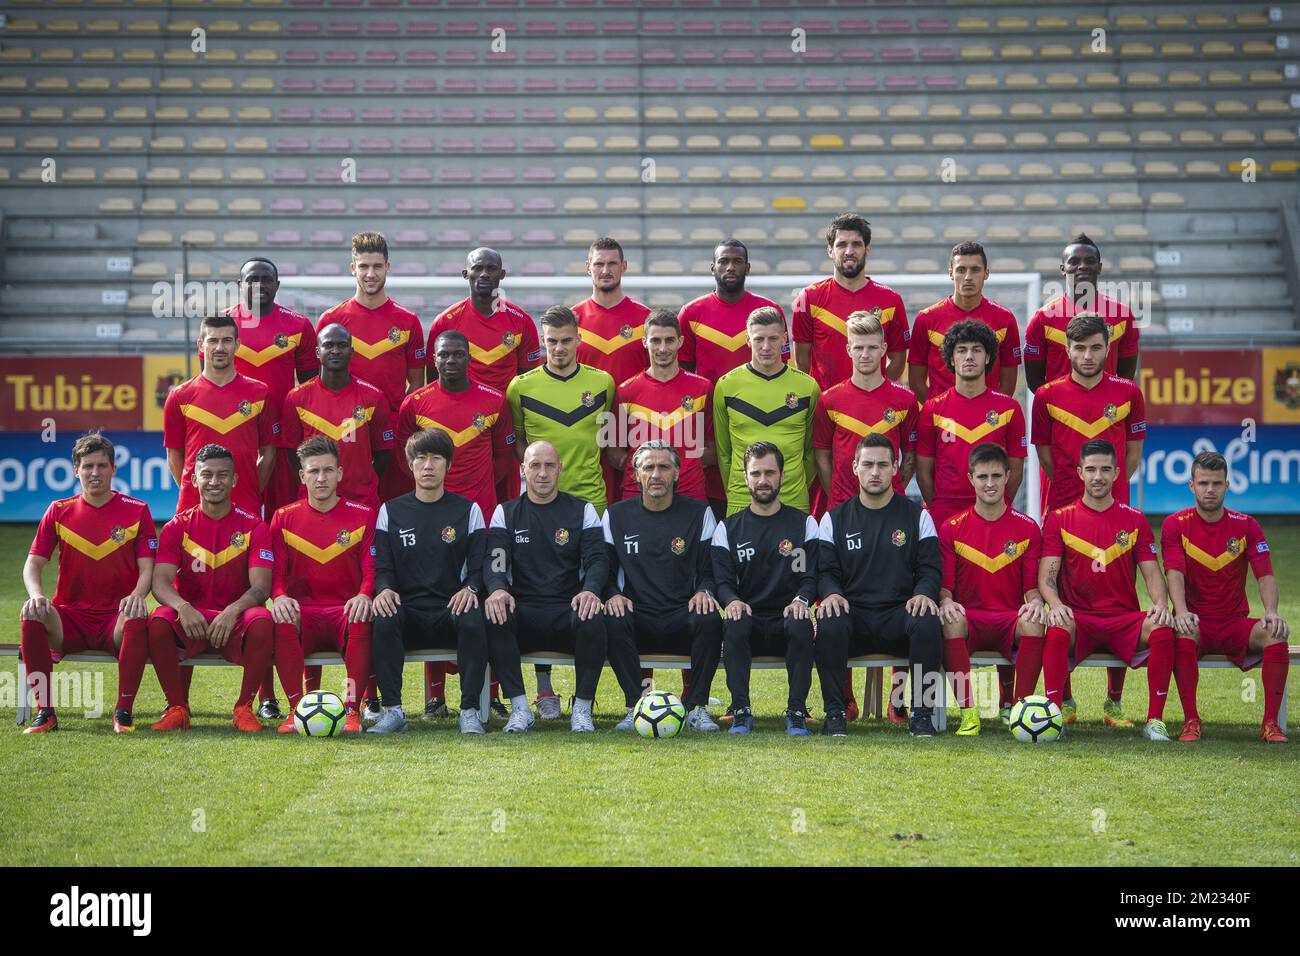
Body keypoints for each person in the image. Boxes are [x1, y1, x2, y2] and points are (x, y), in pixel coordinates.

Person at [394, 329, 515, 717]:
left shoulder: (494, 400)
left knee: (482, 601)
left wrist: (474, 496)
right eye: (443, 355)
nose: (450, 361)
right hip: (430, 515)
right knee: (434, 595)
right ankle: (436, 697)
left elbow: (502, 459)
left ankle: (491, 693)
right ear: (433, 358)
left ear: (469, 357)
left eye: (458, 354)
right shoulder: (414, 403)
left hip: (478, 516)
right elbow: (404, 458)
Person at [506, 306, 617, 709]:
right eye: (551, 341)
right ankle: (545, 690)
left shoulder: (603, 383)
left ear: (579, 340)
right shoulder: (520, 387)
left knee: (595, 590)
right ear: (542, 343)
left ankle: (600, 693)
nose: (559, 348)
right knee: (539, 588)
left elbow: (608, 438)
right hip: (539, 506)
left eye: (566, 340)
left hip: (591, 502)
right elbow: (521, 442)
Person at [1037, 439, 1176, 741]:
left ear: (1116, 473)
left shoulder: (1135, 519)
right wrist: (1055, 604)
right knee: (1058, 626)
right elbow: (1046, 577)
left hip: (1123, 618)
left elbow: (1152, 573)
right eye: (1091, 470)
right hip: (1080, 617)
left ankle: (1154, 720)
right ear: (1080, 473)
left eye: (1104, 470)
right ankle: (1055, 713)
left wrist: (1161, 603)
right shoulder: (1060, 519)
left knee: (1162, 627)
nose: (1097, 476)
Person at [19, 431, 155, 734]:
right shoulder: (58, 510)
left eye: (102, 466)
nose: (95, 473)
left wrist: (137, 594)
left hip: (114, 619)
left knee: (137, 614)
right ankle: (46, 713)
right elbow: (33, 563)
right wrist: (36, 594)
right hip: (70, 619)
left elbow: (148, 568)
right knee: (31, 613)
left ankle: (123, 713)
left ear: (114, 469)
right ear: (76, 470)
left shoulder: (137, 510)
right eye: (88, 466)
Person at [136, 444, 279, 733]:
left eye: (223, 475)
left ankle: (244, 707)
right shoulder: (177, 527)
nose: (215, 482)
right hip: (193, 621)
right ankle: (177, 707)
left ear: (235, 480)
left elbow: (262, 587)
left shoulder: (254, 526)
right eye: (208, 475)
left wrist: (233, 610)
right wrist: (183, 607)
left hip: (234, 620)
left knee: (263, 620)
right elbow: (160, 582)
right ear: (194, 479)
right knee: (159, 620)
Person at [367, 428, 501, 735]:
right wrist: (385, 589)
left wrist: (471, 589)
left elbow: (480, 566)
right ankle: (393, 711)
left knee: (472, 617)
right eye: (421, 458)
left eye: (436, 458)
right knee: (384, 616)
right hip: (409, 609)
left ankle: (468, 711)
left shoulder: (468, 511)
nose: (428, 466)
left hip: (449, 607)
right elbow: (383, 566)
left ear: (448, 465)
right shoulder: (391, 511)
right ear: (410, 465)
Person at [815, 434, 943, 738]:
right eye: (868, 464)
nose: (875, 472)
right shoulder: (834, 518)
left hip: (898, 615)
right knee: (829, 619)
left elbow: (930, 568)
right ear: (855, 467)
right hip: (854, 616)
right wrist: (831, 593)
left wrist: (924, 593)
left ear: (895, 468)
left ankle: (921, 715)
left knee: (926, 619)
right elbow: (824, 570)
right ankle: (835, 713)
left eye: (882, 465)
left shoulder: (917, 516)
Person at [1161, 451, 1289, 743]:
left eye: (1216, 483)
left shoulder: (1246, 525)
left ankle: (1270, 724)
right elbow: (1174, 573)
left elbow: (1265, 574)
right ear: (1191, 486)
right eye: (1203, 483)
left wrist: (1271, 611)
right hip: (1196, 621)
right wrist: (1180, 611)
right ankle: (1191, 721)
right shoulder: (1175, 524)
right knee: (1183, 632)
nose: (1210, 490)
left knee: (1275, 633)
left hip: (1234, 623)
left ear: (1227, 485)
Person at [484, 441, 609, 732]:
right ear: (523, 470)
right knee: (494, 613)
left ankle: (582, 709)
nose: (542, 473)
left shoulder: (583, 510)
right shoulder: (506, 512)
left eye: (549, 465)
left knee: (592, 615)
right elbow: (495, 561)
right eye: (535, 465)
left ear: (560, 470)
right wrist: (497, 589)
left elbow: (597, 560)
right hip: (524, 610)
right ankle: (520, 709)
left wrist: (590, 590)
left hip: (568, 609)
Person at [602, 441, 723, 732]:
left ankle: (697, 707)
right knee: (612, 616)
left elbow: (711, 569)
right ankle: (635, 707)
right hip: (638, 616)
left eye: (664, 467)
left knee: (709, 617)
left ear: (677, 474)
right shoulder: (616, 516)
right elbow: (603, 569)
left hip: (682, 615)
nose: (656, 474)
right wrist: (613, 594)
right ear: (636, 475)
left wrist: (704, 591)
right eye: (648, 467)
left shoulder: (699, 513)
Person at [268, 436, 376, 734]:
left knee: (362, 615)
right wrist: (278, 597)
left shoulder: (363, 515)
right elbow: (276, 573)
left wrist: (364, 595)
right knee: (283, 617)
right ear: (302, 476)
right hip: (305, 612)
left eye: (328, 470)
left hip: (344, 610)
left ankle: (353, 710)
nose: (321, 478)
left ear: (340, 473)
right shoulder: (283, 518)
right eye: (313, 471)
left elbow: (370, 570)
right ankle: (294, 710)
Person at [936, 443, 1046, 736]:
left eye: (996, 476)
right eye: (982, 476)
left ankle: (1021, 710)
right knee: (949, 619)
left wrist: (1036, 602)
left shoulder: (1028, 528)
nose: (989, 483)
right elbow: (945, 590)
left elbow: (1031, 589)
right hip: (970, 617)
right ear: (970, 478)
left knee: (1034, 620)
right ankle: (969, 713)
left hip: (1009, 618)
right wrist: (945, 602)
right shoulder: (951, 528)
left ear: (1008, 476)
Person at [711, 442, 818, 736]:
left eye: (770, 473)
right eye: (756, 473)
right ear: (745, 478)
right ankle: (740, 710)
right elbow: (722, 581)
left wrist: (800, 600)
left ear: (782, 476)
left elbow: (808, 577)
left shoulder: (802, 524)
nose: (763, 480)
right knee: (734, 620)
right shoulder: (728, 528)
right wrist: (732, 600)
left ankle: (796, 711)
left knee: (799, 621)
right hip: (749, 622)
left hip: (787, 620)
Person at [678, 240, 787, 511]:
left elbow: (782, 368)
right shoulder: (691, 313)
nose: (730, 267)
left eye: (737, 262)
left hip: (759, 418)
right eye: (724, 261)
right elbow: (684, 375)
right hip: (708, 425)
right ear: (712, 267)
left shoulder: (768, 311)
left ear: (748, 267)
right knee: (714, 497)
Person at [223, 256, 319, 516]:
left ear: (277, 285)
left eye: (266, 280)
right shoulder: (222, 327)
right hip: (238, 435)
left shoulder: (298, 325)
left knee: (283, 512)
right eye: (252, 280)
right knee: (237, 512)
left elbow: (312, 388)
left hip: (283, 437)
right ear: (240, 285)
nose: (259, 285)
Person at [164, 314, 279, 518]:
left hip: (246, 507)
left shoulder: (260, 393)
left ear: (237, 345)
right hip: (192, 508)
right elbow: (174, 456)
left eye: (226, 341)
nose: (219, 347)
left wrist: (251, 490)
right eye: (213, 341)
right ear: (201, 345)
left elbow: (268, 454)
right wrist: (196, 489)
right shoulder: (179, 396)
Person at [915, 319, 1026, 525]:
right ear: (951, 358)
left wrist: (996, 505)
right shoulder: (932, 408)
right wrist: (938, 507)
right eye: (961, 350)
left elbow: (1016, 469)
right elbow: (923, 470)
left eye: (976, 350)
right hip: (945, 512)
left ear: (988, 357)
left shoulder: (1009, 409)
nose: (969, 357)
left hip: (992, 512)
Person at [1032, 313, 1146, 512]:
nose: (1087, 356)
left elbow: (1133, 454)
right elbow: (1044, 455)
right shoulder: (1046, 395)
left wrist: (1109, 487)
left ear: (1108, 349)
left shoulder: (1129, 392)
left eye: (1095, 348)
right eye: (1079, 348)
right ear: (1068, 350)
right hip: (1064, 506)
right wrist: (1067, 485)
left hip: (1114, 504)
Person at [714, 306, 820, 515]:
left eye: (773, 338)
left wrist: (792, 487)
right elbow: (723, 453)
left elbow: (811, 452)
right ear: (747, 340)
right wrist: (740, 490)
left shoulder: (808, 387)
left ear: (784, 339)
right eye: (759, 339)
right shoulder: (726, 386)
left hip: (793, 501)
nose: (766, 346)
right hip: (741, 502)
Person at [316, 231, 425, 431]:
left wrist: (400, 419)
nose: (370, 274)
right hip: (344, 426)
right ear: (352, 268)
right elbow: (320, 381)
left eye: (377, 266)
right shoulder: (331, 320)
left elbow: (417, 382)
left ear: (387, 267)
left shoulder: (408, 321)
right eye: (363, 266)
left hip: (393, 427)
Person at [279, 323, 392, 510]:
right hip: (315, 502)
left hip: (361, 502)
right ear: (317, 351)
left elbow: (383, 454)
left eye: (342, 345)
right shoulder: (296, 398)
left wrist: (362, 483)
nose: (335, 350)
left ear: (352, 351)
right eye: (328, 345)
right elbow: (291, 452)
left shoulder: (373, 397)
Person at [813, 310, 919, 508]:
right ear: (848, 349)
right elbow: (822, 457)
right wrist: (839, 500)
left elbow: (910, 457)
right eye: (858, 347)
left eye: (872, 347)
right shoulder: (829, 400)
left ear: (883, 349)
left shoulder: (906, 400)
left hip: (891, 507)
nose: (865, 355)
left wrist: (889, 492)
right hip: (842, 507)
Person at [793, 212, 908, 390]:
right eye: (841, 245)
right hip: (825, 408)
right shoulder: (808, 298)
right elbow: (801, 360)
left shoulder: (891, 300)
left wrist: (876, 390)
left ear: (867, 248)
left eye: (856, 244)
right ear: (830, 250)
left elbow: (898, 360)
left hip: (873, 408)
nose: (849, 251)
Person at [608, 308, 713, 502]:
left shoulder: (703, 388)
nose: (663, 349)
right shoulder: (625, 391)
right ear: (644, 342)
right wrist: (641, 469)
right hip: (637, 497)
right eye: (656, 340)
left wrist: (687, 465)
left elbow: (715, 448)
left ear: (680, 342)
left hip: (690, 496)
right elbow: (613, 450)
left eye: (669, 340)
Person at [1024, 233, 1140, 392]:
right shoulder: (1042, 318)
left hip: (1105, 411)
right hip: (1060, 414)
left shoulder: (1123, 315)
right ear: (1063, 269)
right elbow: (1034, 380)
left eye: (1090, 261)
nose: (1082, 266)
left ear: (1099, 267)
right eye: (1074, 261)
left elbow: (1126, 375)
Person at [908, 241, 1020, 404]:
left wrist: (990, 413)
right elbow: (916, 381)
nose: (968, 277)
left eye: (975, 270)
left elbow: (1008, 383)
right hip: (941, 422)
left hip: (986, 421)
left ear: (986, 273)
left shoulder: (1005, 319)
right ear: (951, 273)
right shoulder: (926, 319)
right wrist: (936, 411)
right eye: (961, 270)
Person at [427, 247, 542, 397]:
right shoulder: (445, 322)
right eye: (477, 268)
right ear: (465, 274)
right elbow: (433, 381)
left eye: (491, 269)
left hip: (506, 415)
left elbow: (529, 380)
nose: (484, 274)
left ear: (502, 274)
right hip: (461, 414)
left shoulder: (522, 321)